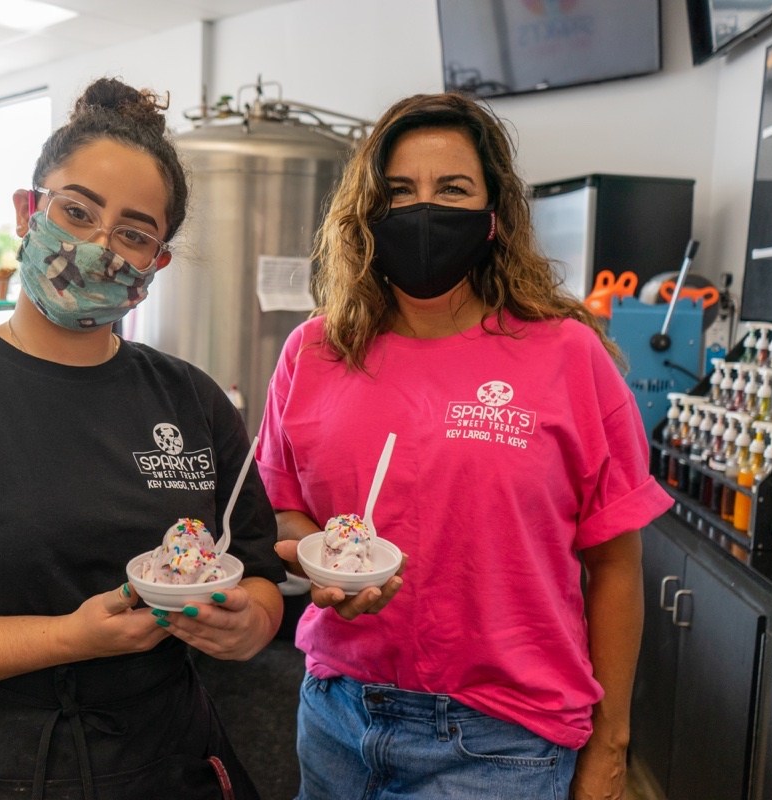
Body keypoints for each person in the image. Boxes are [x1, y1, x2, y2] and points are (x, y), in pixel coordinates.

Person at [0, 77, 287, 800]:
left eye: (133, 233)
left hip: (157, 765)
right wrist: (70, 636)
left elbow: (256, 575)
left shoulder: (192, 401)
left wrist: (249, 625)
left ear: (154, 266)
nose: (99, 246)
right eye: (77, 211)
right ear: (28, 213)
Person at [256, 91, 673, 800]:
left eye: (452, 189)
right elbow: (285, 513)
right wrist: (323, 562)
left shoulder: (565, 355)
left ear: (493, 218)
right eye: (399, 192)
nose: (424, 211)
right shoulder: (314, 351)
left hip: (500, 744)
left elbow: (615, 564)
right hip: (335, 715)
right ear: (368, 213)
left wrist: (611, 749)